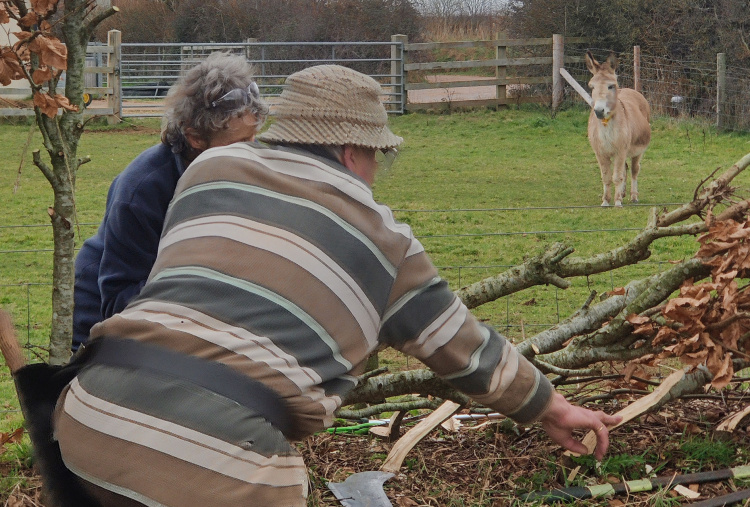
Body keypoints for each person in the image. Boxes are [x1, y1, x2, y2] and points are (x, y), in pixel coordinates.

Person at [54, 65, 620, 506]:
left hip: (88, 415)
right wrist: (553, 409)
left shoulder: (206, 172)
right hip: (225, 463)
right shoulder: (387, 245)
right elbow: (471, 353)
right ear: (353, 152)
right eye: (378, 157)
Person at [72, 52, 269, 351]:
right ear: (195, 137)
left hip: (188, 325)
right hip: (102, 332)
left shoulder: (245, 169)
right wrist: (202, 268)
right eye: (238, 144)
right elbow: (117, 305)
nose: (251, 153)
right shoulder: (141, 190)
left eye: (253, 137)